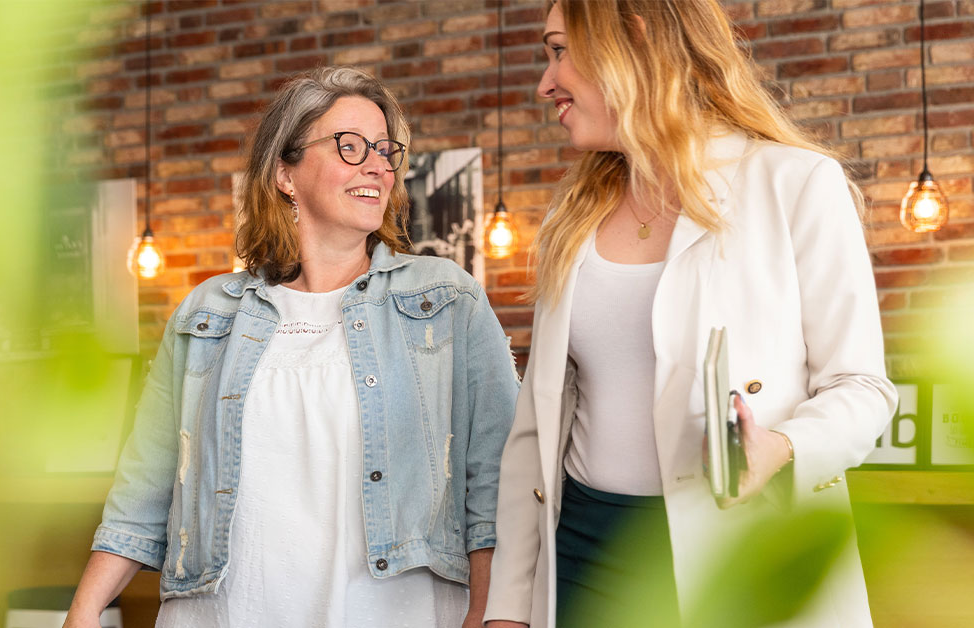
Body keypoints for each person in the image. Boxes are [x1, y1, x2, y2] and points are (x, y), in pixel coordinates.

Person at [483, 1, 897, 627]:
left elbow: (862, 387)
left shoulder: (794, 182)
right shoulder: (572, 213)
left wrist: (782, 448)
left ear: (634, 39)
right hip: (582, 552)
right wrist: (509, 606)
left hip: (736, 550)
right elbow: (537, 424)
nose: (546, 83)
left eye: (559, 50)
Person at [62, 66, 519, 628]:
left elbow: (496, 482)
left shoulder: (445, 299)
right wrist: (83, 611)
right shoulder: (207, 314)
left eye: (384, 149)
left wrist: (490, 614)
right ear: (285, 173)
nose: (378, 165)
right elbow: (146, 484)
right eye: (350, 146)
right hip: (226, 612)